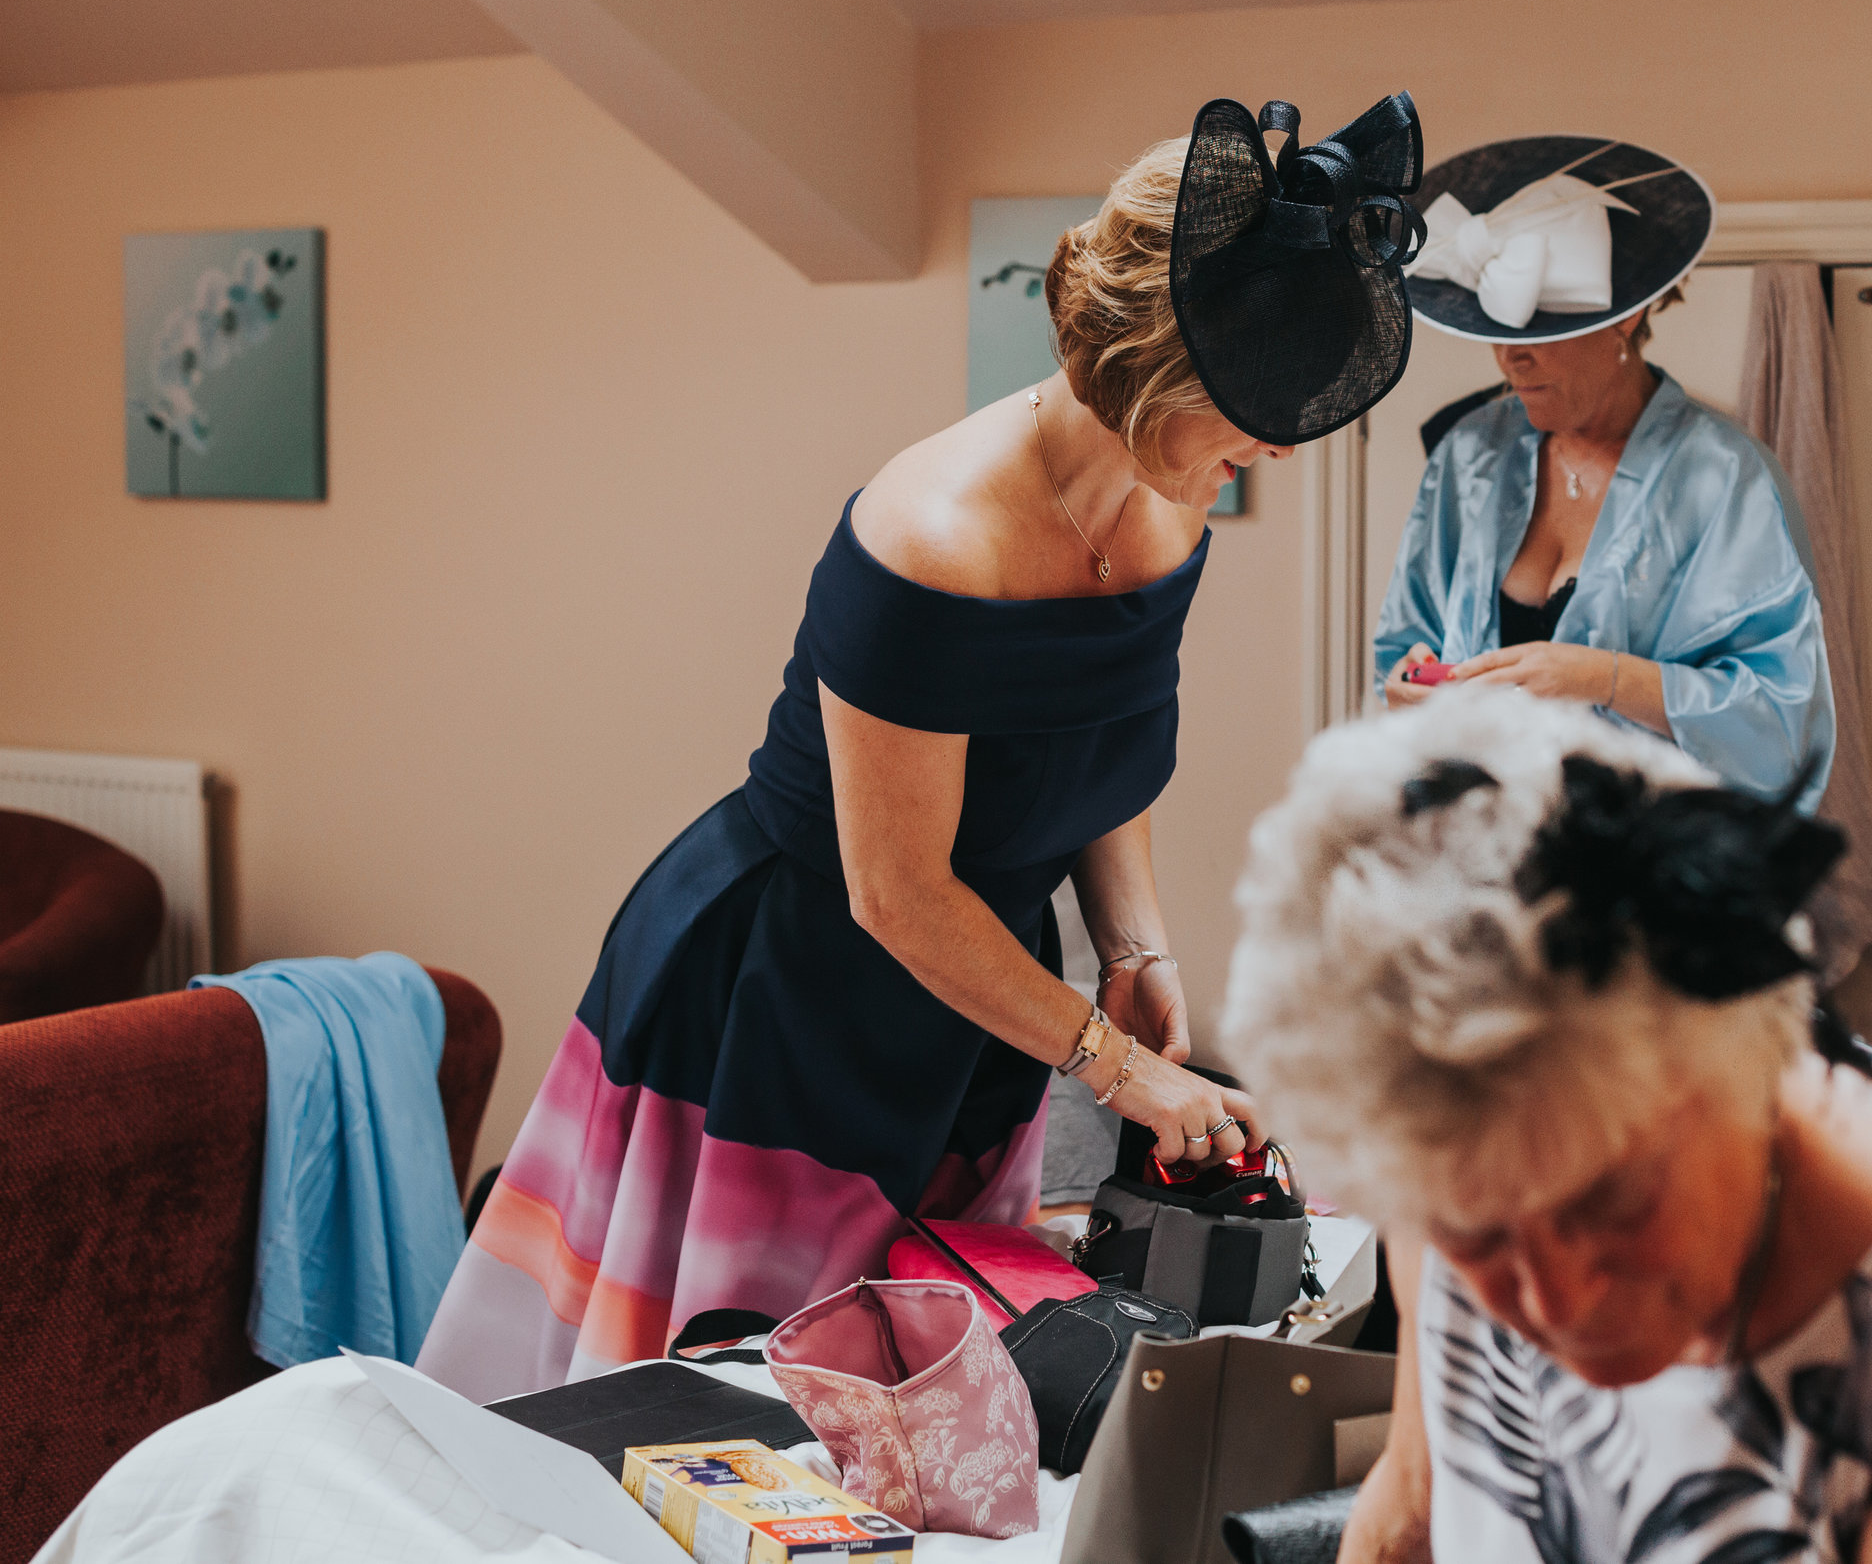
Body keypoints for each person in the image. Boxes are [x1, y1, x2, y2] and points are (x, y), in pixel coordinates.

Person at [416, 91, 1428, 1400]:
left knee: (915, 1389)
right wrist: (1124, 1074)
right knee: (738, 1404)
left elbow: (1107, 734)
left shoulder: (1172, 508)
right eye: (1247, 408)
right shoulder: (931, 538)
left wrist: (1135, 946)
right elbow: (895, 891)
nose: (1273, 440)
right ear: (1149, 379)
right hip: (789, 987)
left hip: (976, 997)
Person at [1221, 690, 1872, 1564]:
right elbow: (1410, 1513)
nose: (1550, 1296)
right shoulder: (1469, 1148)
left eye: (1610, 1199)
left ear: (1751, 1066)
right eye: (1473, 1234)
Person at [1380, 135, 1833, 807]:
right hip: (1484, 855)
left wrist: (1604, 677)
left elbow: (1780, 719)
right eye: (1500, 333)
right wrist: (1410, 680)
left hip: (1650, 869)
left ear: (1629, 318)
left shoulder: (1724, 480)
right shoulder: (1469, 456)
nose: (1511, 360)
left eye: (1540, 335)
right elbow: (1407, 635)